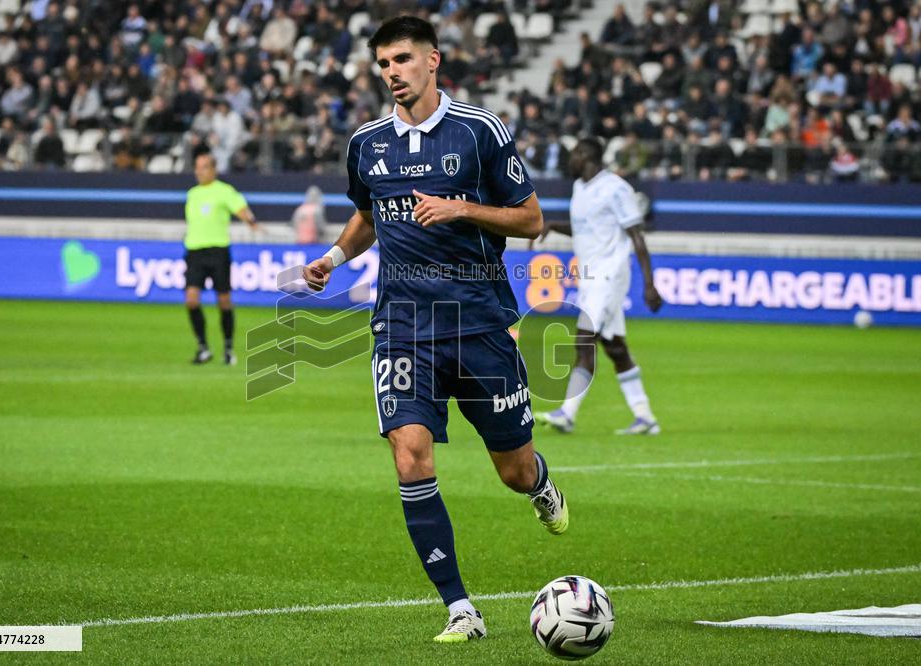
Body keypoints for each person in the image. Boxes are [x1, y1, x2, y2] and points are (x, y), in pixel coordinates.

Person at [302, 16, 568, 644]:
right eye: (383, 63)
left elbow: (531, 221)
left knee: (513, 469)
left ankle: (540, 484)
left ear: (432, 60)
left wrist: (462, 208)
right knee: (409, 453)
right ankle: (460, 609)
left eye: (401, 59)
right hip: (402, 327)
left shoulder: (480, 131)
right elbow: (368, 215)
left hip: (478, 324)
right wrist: (334, 258)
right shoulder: (366, 143)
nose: (392, 73)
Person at [533, 138, 663, 435]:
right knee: (615, 348)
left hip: (609, 274)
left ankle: (567, 413)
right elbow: (585, 231)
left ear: (585, 156)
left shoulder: (616, 189)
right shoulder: (580, 188)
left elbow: (637, 236)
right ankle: (645, 417)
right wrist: (553, 226)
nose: (570, 161)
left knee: (584, 338)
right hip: (590, 276)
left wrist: (649, 284)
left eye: (573, 155)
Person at [183, 152, 258, 365]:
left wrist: (250, 221)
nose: (199, 171)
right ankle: (203, 347)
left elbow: (240, 208)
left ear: (214, 170)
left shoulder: (224, 191)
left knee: (224, 300)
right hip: (195, 251)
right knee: (191, 299)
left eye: (204, 167)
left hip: (218, 251)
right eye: (197, 167)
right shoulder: (192, 194)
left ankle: (228, 347)